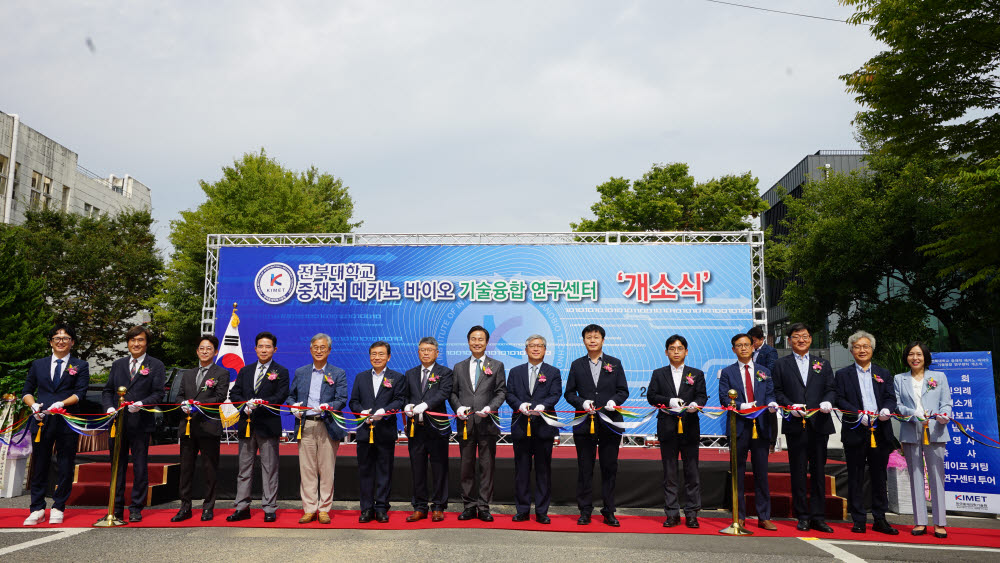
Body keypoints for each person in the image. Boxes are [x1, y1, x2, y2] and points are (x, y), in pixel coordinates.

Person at [21, 324, 90, 526]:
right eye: (57, 338)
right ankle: (36, 508)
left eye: (66, 338)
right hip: (41, 420)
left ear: (72, 342)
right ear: (51, 342)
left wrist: (62, 404)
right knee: (40, 464)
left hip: (67, 420)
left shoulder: (80, 365)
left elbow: (80, 393)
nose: (61, 341)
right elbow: (27, 390)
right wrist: (33, 406)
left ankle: (59, 505)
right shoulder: (38, 364)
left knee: (65, 464)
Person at [771, 323, 836, 533]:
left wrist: (827, 401)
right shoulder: (781, 365)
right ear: (790, 340)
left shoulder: (823, 364)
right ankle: (803, 516)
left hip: (819, 424)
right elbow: (777, 392)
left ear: (810, 339)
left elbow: (831, 389)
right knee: (798, 472)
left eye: (805, 336)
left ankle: (819, 516)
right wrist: (790, 406)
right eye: (797, 336)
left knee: (818, 472)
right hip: (796, 424)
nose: (801, 340)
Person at [834, 330, 899, 535]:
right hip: (855, 430)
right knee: (855, 475)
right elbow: (839, 399)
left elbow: (890, 397)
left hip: (880, 431)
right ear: (851, 350)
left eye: (866, 346)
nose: (862, 350)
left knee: (879, 476)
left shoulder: (883, 373)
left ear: (872, 349)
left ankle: (880, 518)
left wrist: (887, 409)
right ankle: (859, 518)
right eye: (857, 347)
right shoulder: (843, 374)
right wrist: (857, 414)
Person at [564, 324, 629, 527]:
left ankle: (609, 511)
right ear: (583, 341)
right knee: (585, 468)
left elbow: (623, 390)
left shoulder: (615, 363)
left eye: (596, 337)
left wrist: (614, 401)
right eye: (588, 337)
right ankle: (585, 510)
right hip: (585, 424)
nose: (592, 340)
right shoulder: (576, 365)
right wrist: (582, 402)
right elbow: (569, 393)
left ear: (603, 340)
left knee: (609, 467)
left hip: (610, 423)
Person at [101, 325, 166, 523]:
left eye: (140, 340)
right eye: (132, 340)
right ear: (128, 343)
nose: (136, 344)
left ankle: (136, 507)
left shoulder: (156, 365)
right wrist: (109, 408)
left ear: (146, 343)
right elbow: (108, 391)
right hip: (118, 424)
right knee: (116, 467)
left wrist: (142, 404)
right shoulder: (118, 364)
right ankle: (116, 507)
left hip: (140, 423)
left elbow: (159, 393)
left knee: (139, 466)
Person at [718, 332, 778, 530]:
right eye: (739, 345)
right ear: (734, 349)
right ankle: (739, 515)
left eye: (747, 344)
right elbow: (724, 398)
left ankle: (764, 516)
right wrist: (741, 406)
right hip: (739, 428)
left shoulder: (764, 371)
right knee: (738, 473)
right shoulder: (727, 372)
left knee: (761, 473)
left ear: (753, 347)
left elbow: (769, 394)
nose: (743, 348)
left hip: (760, 427)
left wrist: (771, 404)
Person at [646, 334, 707, 529]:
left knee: (692, 472)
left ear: (686, 351)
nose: (676, 351)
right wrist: (668, 401)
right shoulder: (658, 373)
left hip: (690, 427)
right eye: (672, 348)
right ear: (666, 352)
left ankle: (691, 513)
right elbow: (651, 396)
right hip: (667, 427)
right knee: (670, 473)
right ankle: (672, 513)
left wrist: (696, 404)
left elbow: (702, 396)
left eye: (680, 348)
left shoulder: (696, 374)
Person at [227, 331, 289, 523]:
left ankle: (269, 508)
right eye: (260, 346)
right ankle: (242, 507)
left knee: (269, 469)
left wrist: (261, 402)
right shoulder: (245, 370)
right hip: (246, 424)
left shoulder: (281, 371)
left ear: (274, 349)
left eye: (268, 346)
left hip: (268, 425)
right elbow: (235, 393)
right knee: (244, 469)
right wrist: (244, 405)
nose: (264, 350)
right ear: (255, 349)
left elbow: (280, 396)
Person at [894, 341, 953, 539]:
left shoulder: (939, 377)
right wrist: (913, 413)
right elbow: (898, 405)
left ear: (925, 357)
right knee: (916, 475)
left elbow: (946, 402)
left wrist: (944, 414)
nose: (915, 358)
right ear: (907, 357)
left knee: (937, 476)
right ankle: (919, 521)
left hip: (935, 430)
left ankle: (939, 523)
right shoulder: (899, 379)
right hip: (911, 430)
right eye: (911, 354)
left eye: (919, 354)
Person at [449, 325, 507, 522]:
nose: (476, 342)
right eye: (473, 339)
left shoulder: (497, 365)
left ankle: (483, 506)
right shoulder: (458, 367)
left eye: (480, 339)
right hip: (465, 424)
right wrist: (457, 408)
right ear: (468, 342)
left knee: (487, 466)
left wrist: (491, 407)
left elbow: (501, 392)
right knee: (466, 466)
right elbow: (453, 392)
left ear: (487, 342)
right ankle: (468, 505)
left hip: (487, 423)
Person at [288, 333, 347, 525]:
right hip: (305, 424)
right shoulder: (301, 372)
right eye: (315, 347)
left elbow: (341, 399)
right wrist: (293, 407)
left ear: (329, 350)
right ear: (310, 349)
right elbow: (291, 396)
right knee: (307, 469)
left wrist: (329, 406)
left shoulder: (338, 373)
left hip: (327, 424)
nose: (319, 350)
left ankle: (324, 509)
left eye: (323, 347)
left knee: (327, 469)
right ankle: (309, 508)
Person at [505, 334, 562, 524]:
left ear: (545, 350)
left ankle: (541, 511)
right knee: (521, 470)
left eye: (540, 346)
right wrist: (519, 405)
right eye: (532, 345)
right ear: (526, 349)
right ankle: (522, 509)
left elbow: (555, 394)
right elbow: (509, 394)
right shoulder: (515, 371)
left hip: (544, 427)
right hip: (521, 426)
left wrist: (543, 406)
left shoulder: (553, 372)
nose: (536, 348)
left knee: (543, 470)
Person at [173, 334, 230, 522]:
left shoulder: (221, 373)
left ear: (215, 352)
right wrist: (183, 403)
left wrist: (200, 404)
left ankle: (208, 507)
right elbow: (179, 396)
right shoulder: (187, 374)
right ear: (197, 351)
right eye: (202, 348)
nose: (205, 351)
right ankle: (185, 507)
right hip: (188, 426)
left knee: (209, 469)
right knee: (186, 469)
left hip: (208, 426)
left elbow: (220, 397)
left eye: (209, 349)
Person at [350, 341, 406, 523]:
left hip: (385, 431)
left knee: (384, 471)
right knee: (365, 471)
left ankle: (381, 507)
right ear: (369, 356)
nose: (377, 357)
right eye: (374, 354)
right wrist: (361, 412)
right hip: (365, 431)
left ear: (388, 357)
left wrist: (385, 412)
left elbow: (399, 400)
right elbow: (353, 401)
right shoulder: (361, 377)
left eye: (381, 354)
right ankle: (366, 508)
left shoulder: (397, 377)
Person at [402, 337, 454, 523]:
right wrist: (407, 406)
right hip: (416, 429)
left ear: (436, 353)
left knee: (440, 468)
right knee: (418, 469)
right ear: (418, 352)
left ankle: (439, 506)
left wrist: (425, 404)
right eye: (422, 350)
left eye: (429, 350)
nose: (425, 353)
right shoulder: (410, 374)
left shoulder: (445, 373)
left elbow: (444, 392)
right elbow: (404, 395)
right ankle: (420, 507)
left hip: (437, 429)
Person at [748, 326, 779, 452]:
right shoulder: (749, 351)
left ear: (761, 339)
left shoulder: (770, 351)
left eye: (754, 341)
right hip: (752, 387)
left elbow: (771, 368)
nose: (752, 344)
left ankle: (771, 441)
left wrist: (757, 377)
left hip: (765, 386)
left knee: (769, 415)